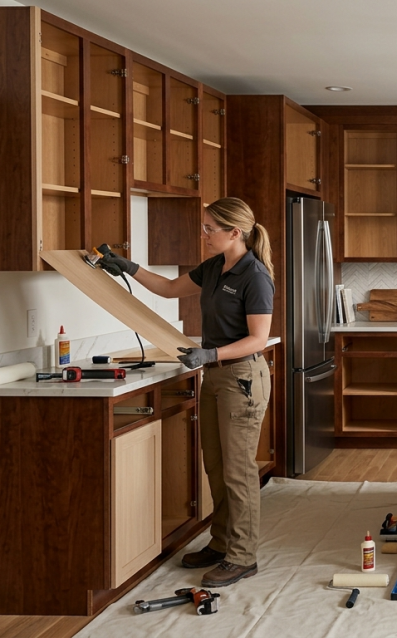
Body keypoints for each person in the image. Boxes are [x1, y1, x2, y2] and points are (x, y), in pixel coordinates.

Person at [99, 197, 274, 588]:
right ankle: (222, 543)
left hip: (242, 378)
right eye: (204, 226)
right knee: (215, 465)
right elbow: (168, 287)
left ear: (235, 232)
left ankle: (243, 557)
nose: (203, 234)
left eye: (210, 228)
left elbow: (258, 339)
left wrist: (211, 351)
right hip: (213, 376)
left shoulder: (254, 275)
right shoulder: (215, 267)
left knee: (239, 472)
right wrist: (128, 267)